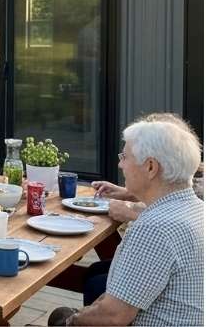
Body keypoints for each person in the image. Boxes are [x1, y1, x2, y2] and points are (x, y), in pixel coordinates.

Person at [48, 118, 203, 326]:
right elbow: (122, 296)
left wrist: (71, 321)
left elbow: (113, 317)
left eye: (125, 156)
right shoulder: (197, 210)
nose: (120, 163)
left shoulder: (155, 228)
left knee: (60, 317)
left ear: (150, 167)